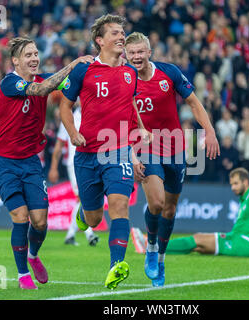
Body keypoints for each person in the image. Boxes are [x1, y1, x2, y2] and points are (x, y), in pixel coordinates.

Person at [0, 36, 93, 290]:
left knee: (40, 221)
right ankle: (23, 274)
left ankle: (33, 256)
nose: (34, 58)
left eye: (36, 54)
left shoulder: (44, 77)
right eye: (28, 55)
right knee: (21, 217)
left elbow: (72, 82)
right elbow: (43, 88)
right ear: (16, 61)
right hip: (3, 162)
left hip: (30, 162)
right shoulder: (10, 82)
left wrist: (93, 68)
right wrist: (74, 63)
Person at [59, 14, 151, 290]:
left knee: (120, 206)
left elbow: (130, 108)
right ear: (100, 40)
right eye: (115, 33)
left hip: (118, 152)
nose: (121, 37)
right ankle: (84, 216)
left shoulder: (130, 73)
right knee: (95, 217)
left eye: (122, 32)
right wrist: (73, 134)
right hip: (87, 154)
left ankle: (115, 266)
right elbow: (64, 106)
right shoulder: (83, 70)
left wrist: (140, 134)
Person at [125, 32, 220, 287]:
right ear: (126, 54)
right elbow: (119, 121)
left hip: (176, 149)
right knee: (155, 203)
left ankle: (162, 258)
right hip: (146, 147)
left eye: (140, 52)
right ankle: (152, 246)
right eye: (131, 53)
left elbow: (193, 102)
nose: (136, 57)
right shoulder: (124, 80)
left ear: (149, 52)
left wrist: (209, 131)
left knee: (170, 208)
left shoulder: (169, 73)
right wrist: (131, 155)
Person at [161, 167, 249, 258]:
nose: (233, 188)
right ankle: (158, 249)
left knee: (198, 239)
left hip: (244, 243)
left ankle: (156, 245)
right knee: (198, 247)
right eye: (231, 184)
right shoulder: (246, 200)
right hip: (239, 239)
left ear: (245, 182)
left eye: (236, 184)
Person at [48, 102, 99, 247]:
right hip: (75, 163)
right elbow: (58, 145)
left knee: (83, 198)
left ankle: (70, 234)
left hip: (93, 162)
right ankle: (89, 234)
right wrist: (53, 168)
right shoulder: (69, 118)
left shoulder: (95, 115)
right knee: (81, 197)